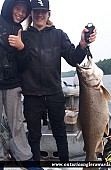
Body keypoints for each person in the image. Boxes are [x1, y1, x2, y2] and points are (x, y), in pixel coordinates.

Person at [8, 0, 97, 162]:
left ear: (49, 13)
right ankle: (36, 165)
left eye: (43, 11)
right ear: (31, 14)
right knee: (34, 136)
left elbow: (73, 58)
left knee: (60, 133)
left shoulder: (59, 35)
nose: (40, 14)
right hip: (31, 95)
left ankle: (65, 163)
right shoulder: (24, 35)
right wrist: (19, 47)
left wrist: (82, 45)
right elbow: (19, 65)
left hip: (55, 94)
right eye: (36, 11)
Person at [0, 0, 44, 169]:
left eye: (24, 11)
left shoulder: (21, 31)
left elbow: (25, 64)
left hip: (12, 85)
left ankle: (25, 158)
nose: (20, 13)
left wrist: (21, 48)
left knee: (17, 123)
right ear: (10, 6)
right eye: (17, 8)